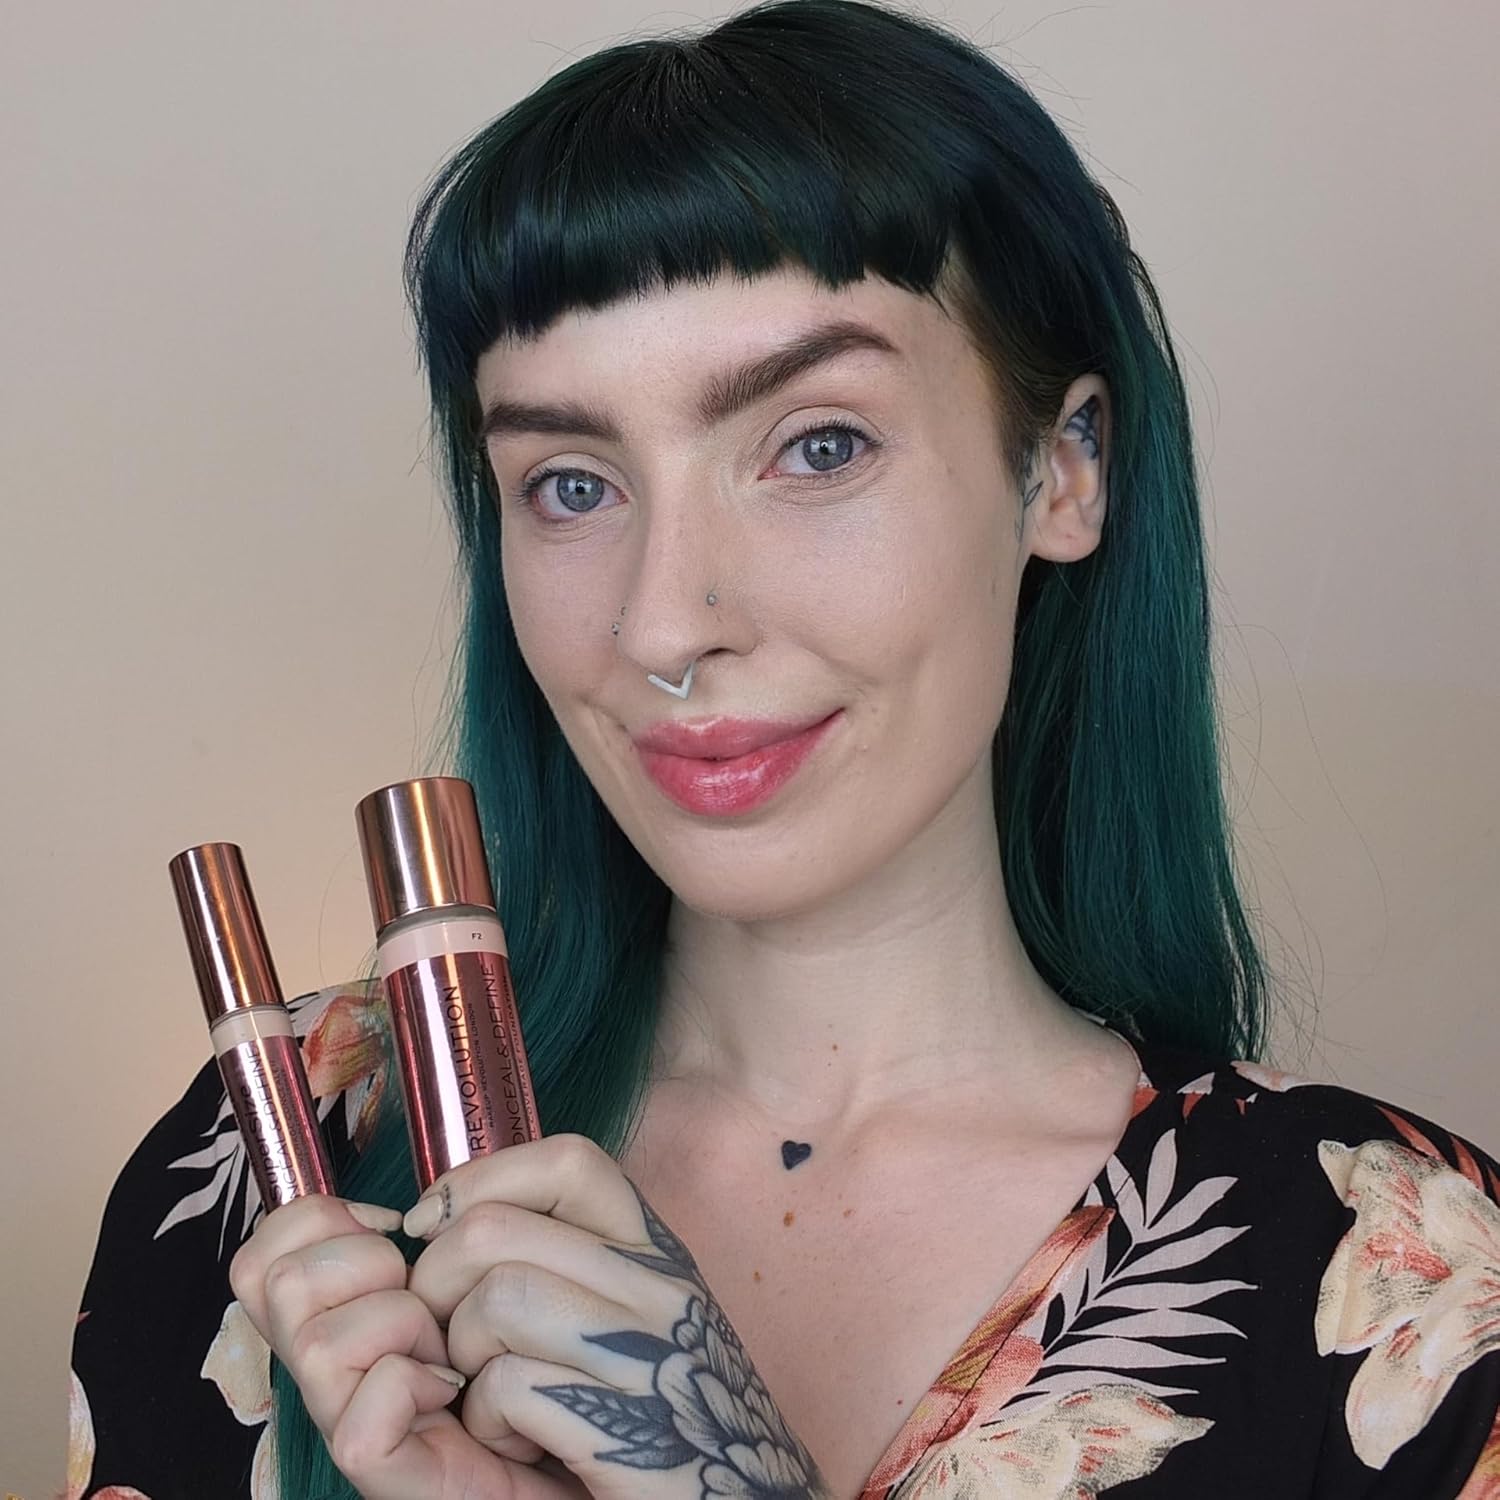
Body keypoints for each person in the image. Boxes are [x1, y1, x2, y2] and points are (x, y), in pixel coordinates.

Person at [67, 0, 1500, 1495]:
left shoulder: (1413, 1289)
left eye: (819, 446)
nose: (664, 623)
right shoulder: (272, 1154)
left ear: (1063, 470)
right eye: (569, 483)